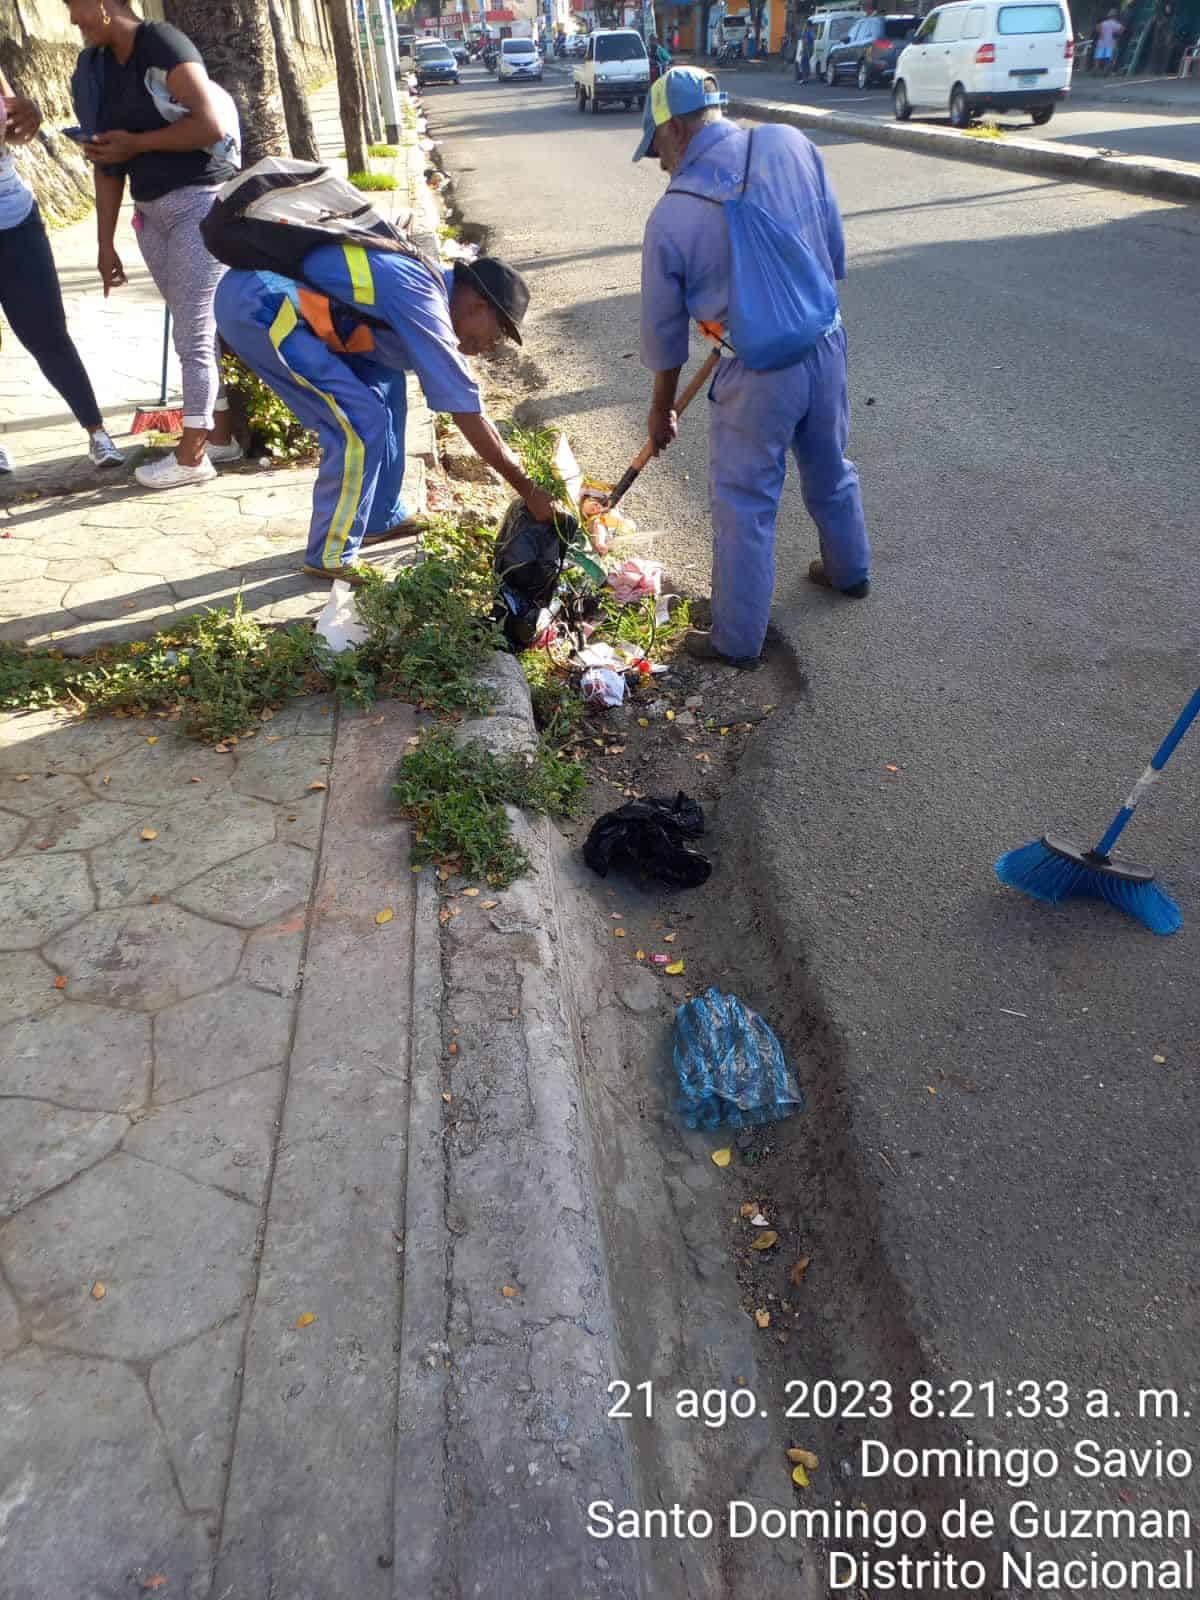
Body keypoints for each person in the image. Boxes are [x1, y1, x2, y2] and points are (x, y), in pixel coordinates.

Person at [635, 67, 870, 667]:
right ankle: (849, 571)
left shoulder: (672, 217)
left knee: (744, 502)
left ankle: (737, 640)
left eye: (657, 146)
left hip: (758, 373)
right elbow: (833, 249)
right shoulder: (792, 144)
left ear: (678, 129)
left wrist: (662, 409)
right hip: (825, 342)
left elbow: (666, 341)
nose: (660, 163)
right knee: (829, 463)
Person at [214, 249, 558, 584]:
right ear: (477, 306)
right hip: (260, 306)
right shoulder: (422, 299)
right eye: (496, 334)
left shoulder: (432, 288)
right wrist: (527, 488)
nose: (490, 346)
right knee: (359, 422)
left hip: (299, 312)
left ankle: (380, 516)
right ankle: (330, 555)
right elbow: (465, 410)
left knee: (388, 384)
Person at [65, 0, 244, 491]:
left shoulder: (162, 44)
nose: (71, 19)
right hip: (152, 215)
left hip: (198, 205)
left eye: (74, 6)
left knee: (193, 332)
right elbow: (107, 161)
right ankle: (219, 437)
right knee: (192, 329)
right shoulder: (97, 67)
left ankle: (192, 456)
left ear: (102, 5)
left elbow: (208, 126)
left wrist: (136, 145)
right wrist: (105, 246)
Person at [0, 72, 123, 474]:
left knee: (48, 333)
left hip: (16, 219)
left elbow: (17, 128)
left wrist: (29, 115)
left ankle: (98, 433)